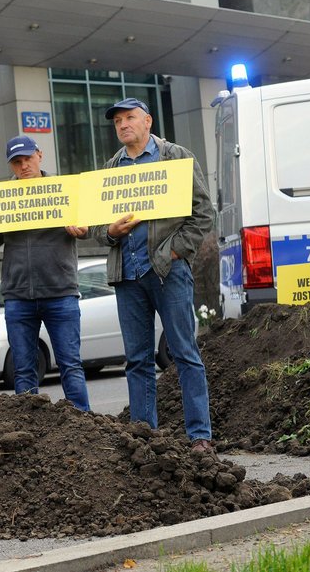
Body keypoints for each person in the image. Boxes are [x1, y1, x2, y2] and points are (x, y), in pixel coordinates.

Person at [89, 97, 215, 453]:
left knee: (184, 352)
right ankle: (144, 439)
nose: (123, 125)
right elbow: (99, 229)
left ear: (148, 121)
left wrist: (176, 250)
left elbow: (203, 213)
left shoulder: (175, 157)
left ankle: (200, 437)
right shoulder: (110, 169)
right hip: (127, 275)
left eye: (130, 118)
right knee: (137, 360)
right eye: (117, 121)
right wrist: (110, 232)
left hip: (167, 271)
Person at [0, 136, 90, 410]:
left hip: (60, 291)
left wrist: (84, 229)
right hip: (18, 295)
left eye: (28, 159)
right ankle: (28, 432)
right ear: (11, 165)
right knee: (23, 371)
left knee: (71, 365)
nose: (24, 166)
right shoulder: (1, 198)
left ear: (40, 155)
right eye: (17, 162)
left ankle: (84, 426)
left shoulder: (63, 190)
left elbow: (88, 227)